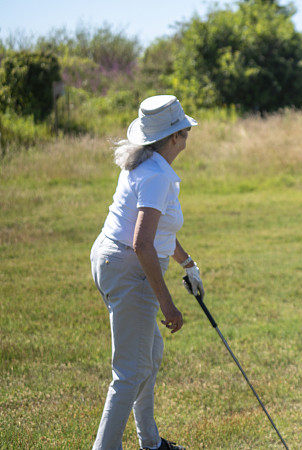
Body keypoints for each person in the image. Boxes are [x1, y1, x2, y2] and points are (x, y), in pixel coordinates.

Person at [90, 95, 204, 450]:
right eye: (185, 131)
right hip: (128, 268)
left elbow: (160, 232)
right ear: (174, 138)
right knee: (128, 374)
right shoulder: (155, 175)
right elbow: (142, 244)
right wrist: (167, 304)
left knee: (149, 357)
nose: (187, 135)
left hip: (112, 259)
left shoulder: (150, 165)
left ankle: (151, 444)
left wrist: (187, 263)